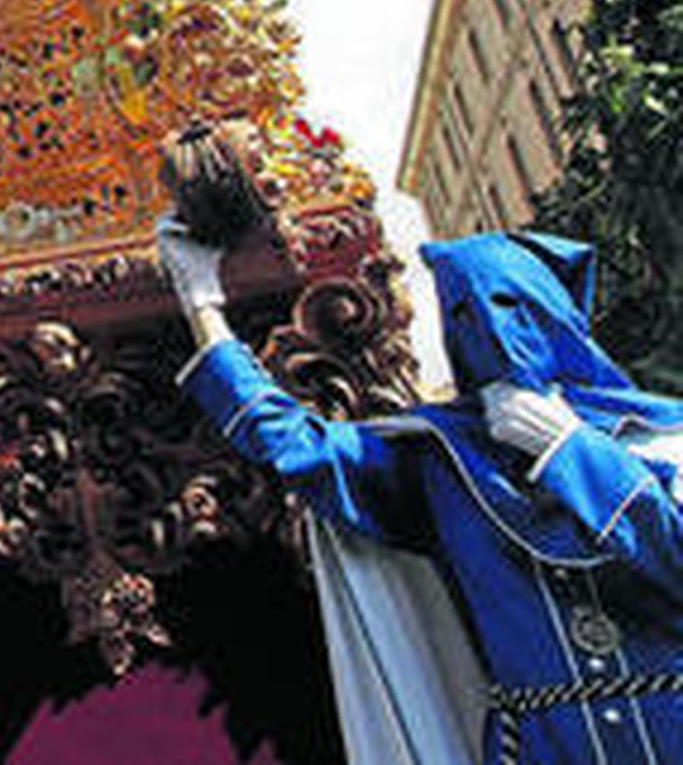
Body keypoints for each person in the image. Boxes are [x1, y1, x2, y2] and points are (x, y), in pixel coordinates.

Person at [157, 217, 683, 764]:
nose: (496, 332)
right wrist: (203, 305)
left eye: (514, 307)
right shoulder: (439, 459)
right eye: (467, 313)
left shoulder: (664, 438)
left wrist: (575, 452)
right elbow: (293, 444)